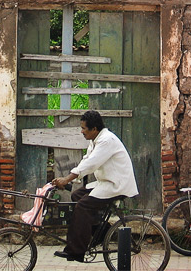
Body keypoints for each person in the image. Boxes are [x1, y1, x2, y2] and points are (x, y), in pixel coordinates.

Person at [51, 110, 138, 262]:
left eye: (84, 128)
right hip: (106, 182)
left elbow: (91, 164)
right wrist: (68, 180)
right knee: (76, 196)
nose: (82, 131)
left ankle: (76, 251)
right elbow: (86, 160)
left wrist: (67, 179)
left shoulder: (106, 140)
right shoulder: (95, 140)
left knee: (83, 206)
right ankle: (100, 232)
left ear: (94, 129)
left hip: (117, 184)